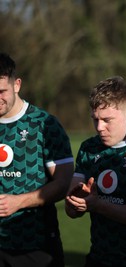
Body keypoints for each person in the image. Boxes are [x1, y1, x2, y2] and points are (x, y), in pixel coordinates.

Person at [65, 76, 126, 267]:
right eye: (95, 120)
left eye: (107, 120)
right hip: (99, 258)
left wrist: (97, 204)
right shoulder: (89, 147)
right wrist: (77, 200)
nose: (99, 127)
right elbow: (71, 211)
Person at [0, 52, 74, 267]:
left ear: (17, 85)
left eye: (2, 91)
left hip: (35, 244)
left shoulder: (44, 124)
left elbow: (62, 184)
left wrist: (18, 202)